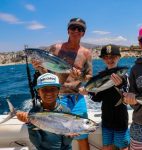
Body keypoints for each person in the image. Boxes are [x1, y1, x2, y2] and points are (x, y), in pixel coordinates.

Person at [32, 17, 92, 150]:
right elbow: (46, 73)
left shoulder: (86, 53)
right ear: (68, 30)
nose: (76, 31)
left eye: (80, 29)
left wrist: (80, 76)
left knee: (82, 135)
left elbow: (89, 77)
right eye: (73, 28)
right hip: (58, 98)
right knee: (56, 137)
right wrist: (38, 67)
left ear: (84, 32)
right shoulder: (55, 48)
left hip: (77, 98)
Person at [85, 44, 130, 150]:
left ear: (119, 57)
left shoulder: (125, 76)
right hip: (106, 119)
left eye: (113, 57)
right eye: (106, 57)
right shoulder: (100, 76)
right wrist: (89, 92)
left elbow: (127, 97)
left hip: (121, 120)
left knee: (123, 147)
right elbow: (97, 99)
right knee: (107, 147)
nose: (110, 59)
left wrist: (120, 86)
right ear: (103, 59)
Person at [16, 73, 74, 150]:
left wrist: (69, 137)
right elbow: (37, 142)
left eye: (52, 89)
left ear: (58, 91)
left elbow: (66, 143)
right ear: (38, 92)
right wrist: (29, 124)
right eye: (44, 89)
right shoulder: (34, 111)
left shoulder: (66, 111)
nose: (49, 93)